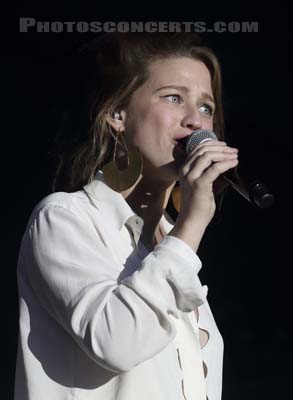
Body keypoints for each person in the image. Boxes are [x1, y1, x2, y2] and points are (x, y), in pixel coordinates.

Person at [14, 33, 239, 400]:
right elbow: (118, 342)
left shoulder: (172, 246)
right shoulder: (65, 219)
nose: (195, 121)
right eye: (174, 97)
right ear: (117, 114)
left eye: (207, 107)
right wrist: (192, 223)